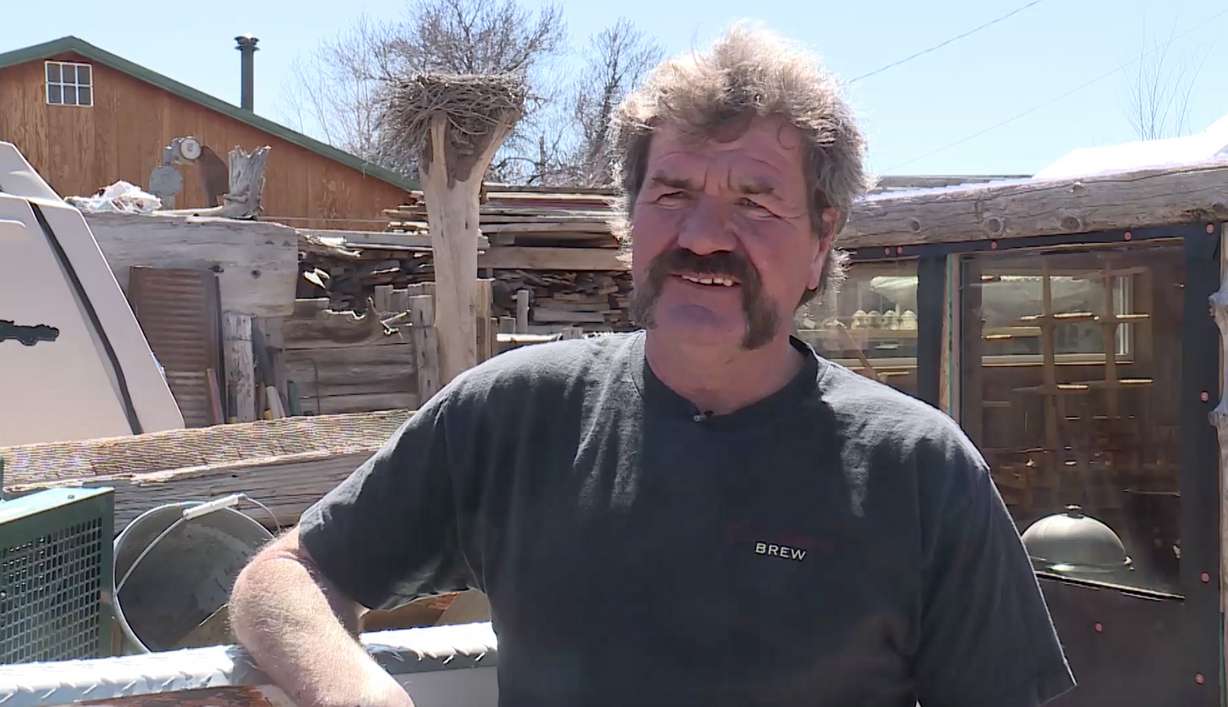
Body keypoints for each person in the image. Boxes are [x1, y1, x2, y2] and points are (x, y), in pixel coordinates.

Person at [230, 23, 1076, 707]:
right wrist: (356, 694)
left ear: (822, 241)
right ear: (626, 221)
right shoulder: (516, 415)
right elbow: (285, 576)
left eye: (753, 200)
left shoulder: (919, 470)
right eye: (672, 193)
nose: (705, 234)